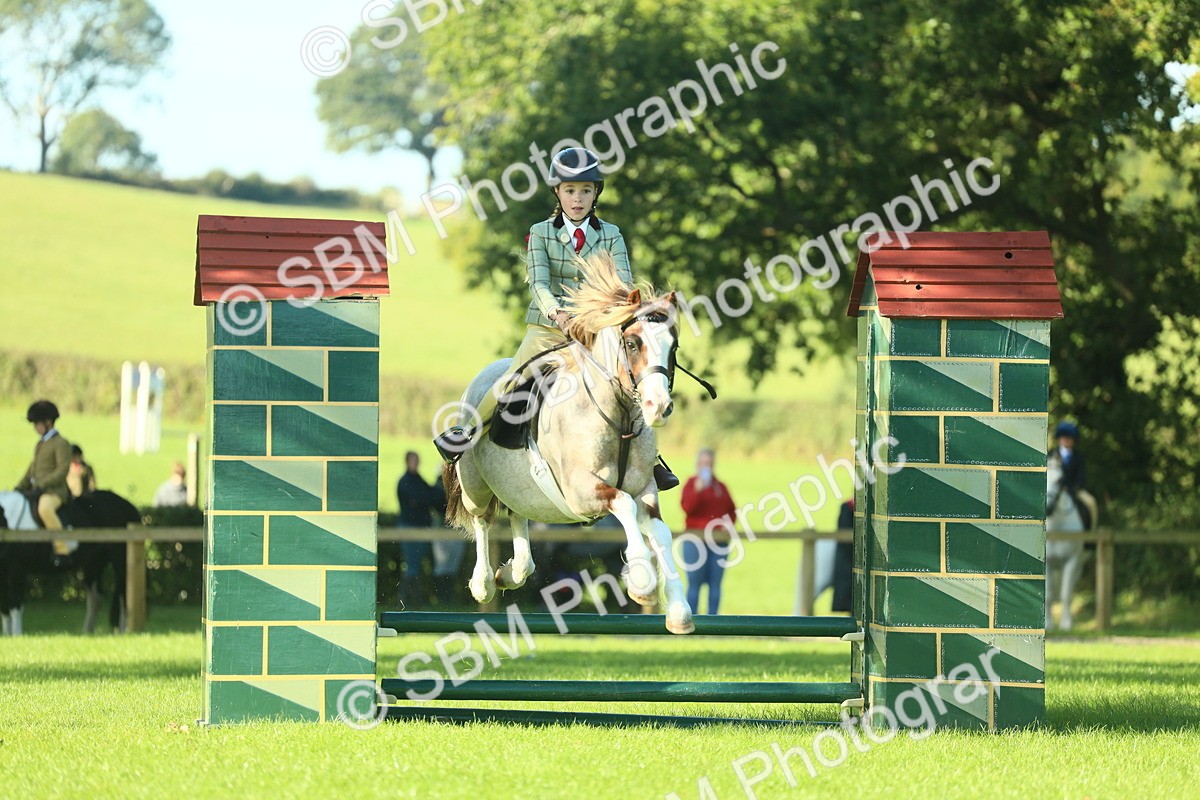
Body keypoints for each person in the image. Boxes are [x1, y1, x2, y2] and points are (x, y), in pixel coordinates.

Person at [434, 147, 678, 490]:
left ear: (595, 194)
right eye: (569, 190)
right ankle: (467, 431)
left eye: (585, 191)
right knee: (513, 378)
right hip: (548, 328)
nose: (577, 199)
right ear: (557, 193)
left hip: (594, 332)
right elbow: (539, 283)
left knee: (631, 382)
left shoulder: (612, 234)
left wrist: (604, 317)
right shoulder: (541, 233)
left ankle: (651, 460)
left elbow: (623, 284)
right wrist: (558, 314)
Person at [679, 448, 737, 615]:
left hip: (718, 541)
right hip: (694, 540)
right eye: (704, 464)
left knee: (715, 584)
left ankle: (714, 621)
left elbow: (732, 510)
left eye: (709, 464)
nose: (707, 467)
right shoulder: (691, 484)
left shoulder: (720, 487)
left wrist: (728, 525)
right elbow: (687, 508)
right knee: (694, 583)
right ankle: (692, 619)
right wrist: (697, 490)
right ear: (697, 465)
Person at [16, 400, 72, 537]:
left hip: (54, 492)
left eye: (36, 423)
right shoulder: (40, 444)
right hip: (37, 490)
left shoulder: (61, 443)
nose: (35, 427)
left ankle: (62, 549)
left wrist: (41, 485)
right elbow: (32, 469)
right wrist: (19, 487)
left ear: (47, 422)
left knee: (44, 509)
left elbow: (62, 470)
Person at [396, 452, 444, 609]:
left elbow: (428, 496)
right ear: (407, 462)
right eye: (413, 461)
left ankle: (409, 601)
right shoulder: (405, 483)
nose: (415, 464)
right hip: (410, 528)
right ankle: (410, 600)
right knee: (412, 565)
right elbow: (425, 497)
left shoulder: (416, 481)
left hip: (419, 528)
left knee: (414, 564)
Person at [1048, 421, 1091, 528]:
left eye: (1069, 437)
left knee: (1091, 503)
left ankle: (1089, 538)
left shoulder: (1079, 456)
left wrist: (1075, 487)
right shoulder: (1051, 455)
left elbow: (1081, 476)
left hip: (1073, 490)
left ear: (1074, 440)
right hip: (1053, 490)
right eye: (1063, 437)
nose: (1066, 440)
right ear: (1059, 439)